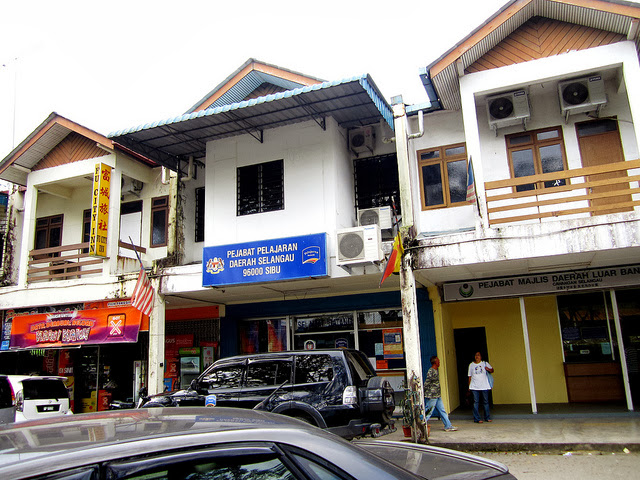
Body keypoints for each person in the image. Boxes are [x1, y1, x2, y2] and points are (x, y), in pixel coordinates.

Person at [424, 355, 458, 432]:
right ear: (435, 362)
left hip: (437, 395)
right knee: (428, 411)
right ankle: (420, 424)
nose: (439, 363)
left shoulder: (436, 371)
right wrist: (424, 391)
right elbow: (427, 382)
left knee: (442, 411)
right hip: (432, 395)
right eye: (438, 361)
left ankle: (448, 426)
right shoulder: (431, 371)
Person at [468, 351, 494, 423]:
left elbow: (492, 370)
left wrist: (488, 369)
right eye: (476, 355)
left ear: (481, 357)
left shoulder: (485, 363)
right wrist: (469, 386)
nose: (477, 356)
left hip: (484, 385)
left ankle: (487, 417)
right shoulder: (471, 365)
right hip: (474, 386)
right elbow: (469, 376)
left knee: (486, 402)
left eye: (478, 355)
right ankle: (477, 418)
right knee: (476, 402)